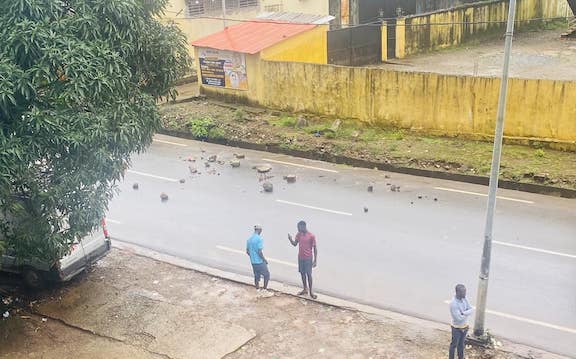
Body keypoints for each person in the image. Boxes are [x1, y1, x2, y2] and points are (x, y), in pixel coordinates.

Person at [288, 220, 318, 299]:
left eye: (299, 227)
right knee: (302, 274)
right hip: (301, 257)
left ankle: (311, 291)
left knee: (309, 275)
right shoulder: (299, 234)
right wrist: (290, 239)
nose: (298, 229)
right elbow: (295, 244)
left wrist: (315, 260)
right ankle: (305, 289)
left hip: (308, 258)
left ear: (303, 226)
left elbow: (315, 248)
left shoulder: (311, 236)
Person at [449, 284, 474, 359]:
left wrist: (463, 313)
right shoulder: (453, 304)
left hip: (465, 326)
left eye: (465, 291)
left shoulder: (465, 298)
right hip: (456, 328)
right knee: (454, 345)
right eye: (463, 292)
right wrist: (466, 313)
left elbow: (471, 309)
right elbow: (458, 318)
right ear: (458, 292)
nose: (465, 293)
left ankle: (461, 357)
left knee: (461, 344)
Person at [246, 224, 270, 291]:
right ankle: (264, 289)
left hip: (253, 262)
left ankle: (257, 289)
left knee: (256, 276)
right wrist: (264, 260)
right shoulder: (259, 239)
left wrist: (253, 257)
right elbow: (260, 252)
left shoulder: (249, 240)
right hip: (259, 262)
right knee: (267, 275)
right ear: (259, 230)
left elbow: (247, 252)